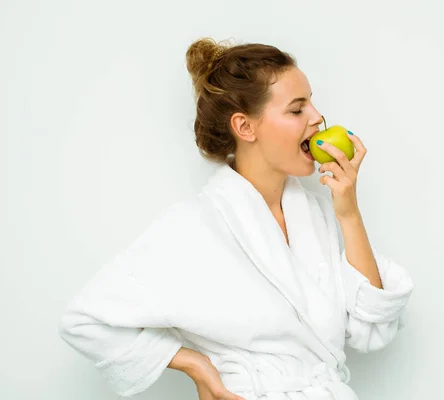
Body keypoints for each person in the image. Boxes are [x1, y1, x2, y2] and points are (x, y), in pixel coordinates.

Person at [57, 37, 414, 400]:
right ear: (245, 128)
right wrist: (195, 364)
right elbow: (85, 320)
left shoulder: (317, 216)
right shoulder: (195, 225)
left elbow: (373, 329)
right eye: (297, 109)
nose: (318, 117)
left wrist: (349, 212)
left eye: (312, 102)